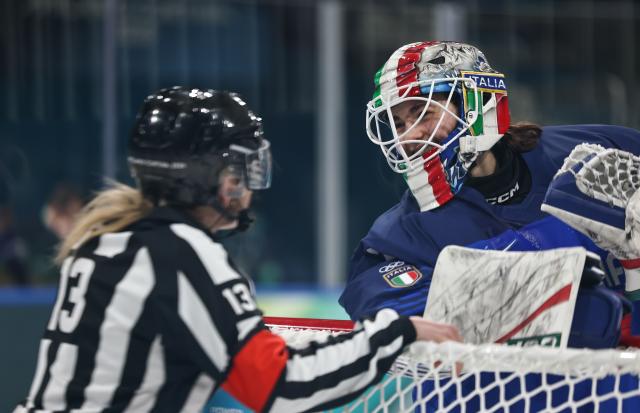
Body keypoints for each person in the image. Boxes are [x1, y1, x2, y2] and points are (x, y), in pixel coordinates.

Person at [14, 86, 461, 413]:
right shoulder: (183, 255)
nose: (246, 185)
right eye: (239, 168)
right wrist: (392, 331)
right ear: (203, 178)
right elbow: (281, 386)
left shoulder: (106, 241)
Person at [340, 40, 640, 412]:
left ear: (476, 103)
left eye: (422, 114)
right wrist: (561, 240)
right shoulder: (395, 237)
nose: (407, 137)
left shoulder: (601, 151)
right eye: (399, 123)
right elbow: (410, 317)